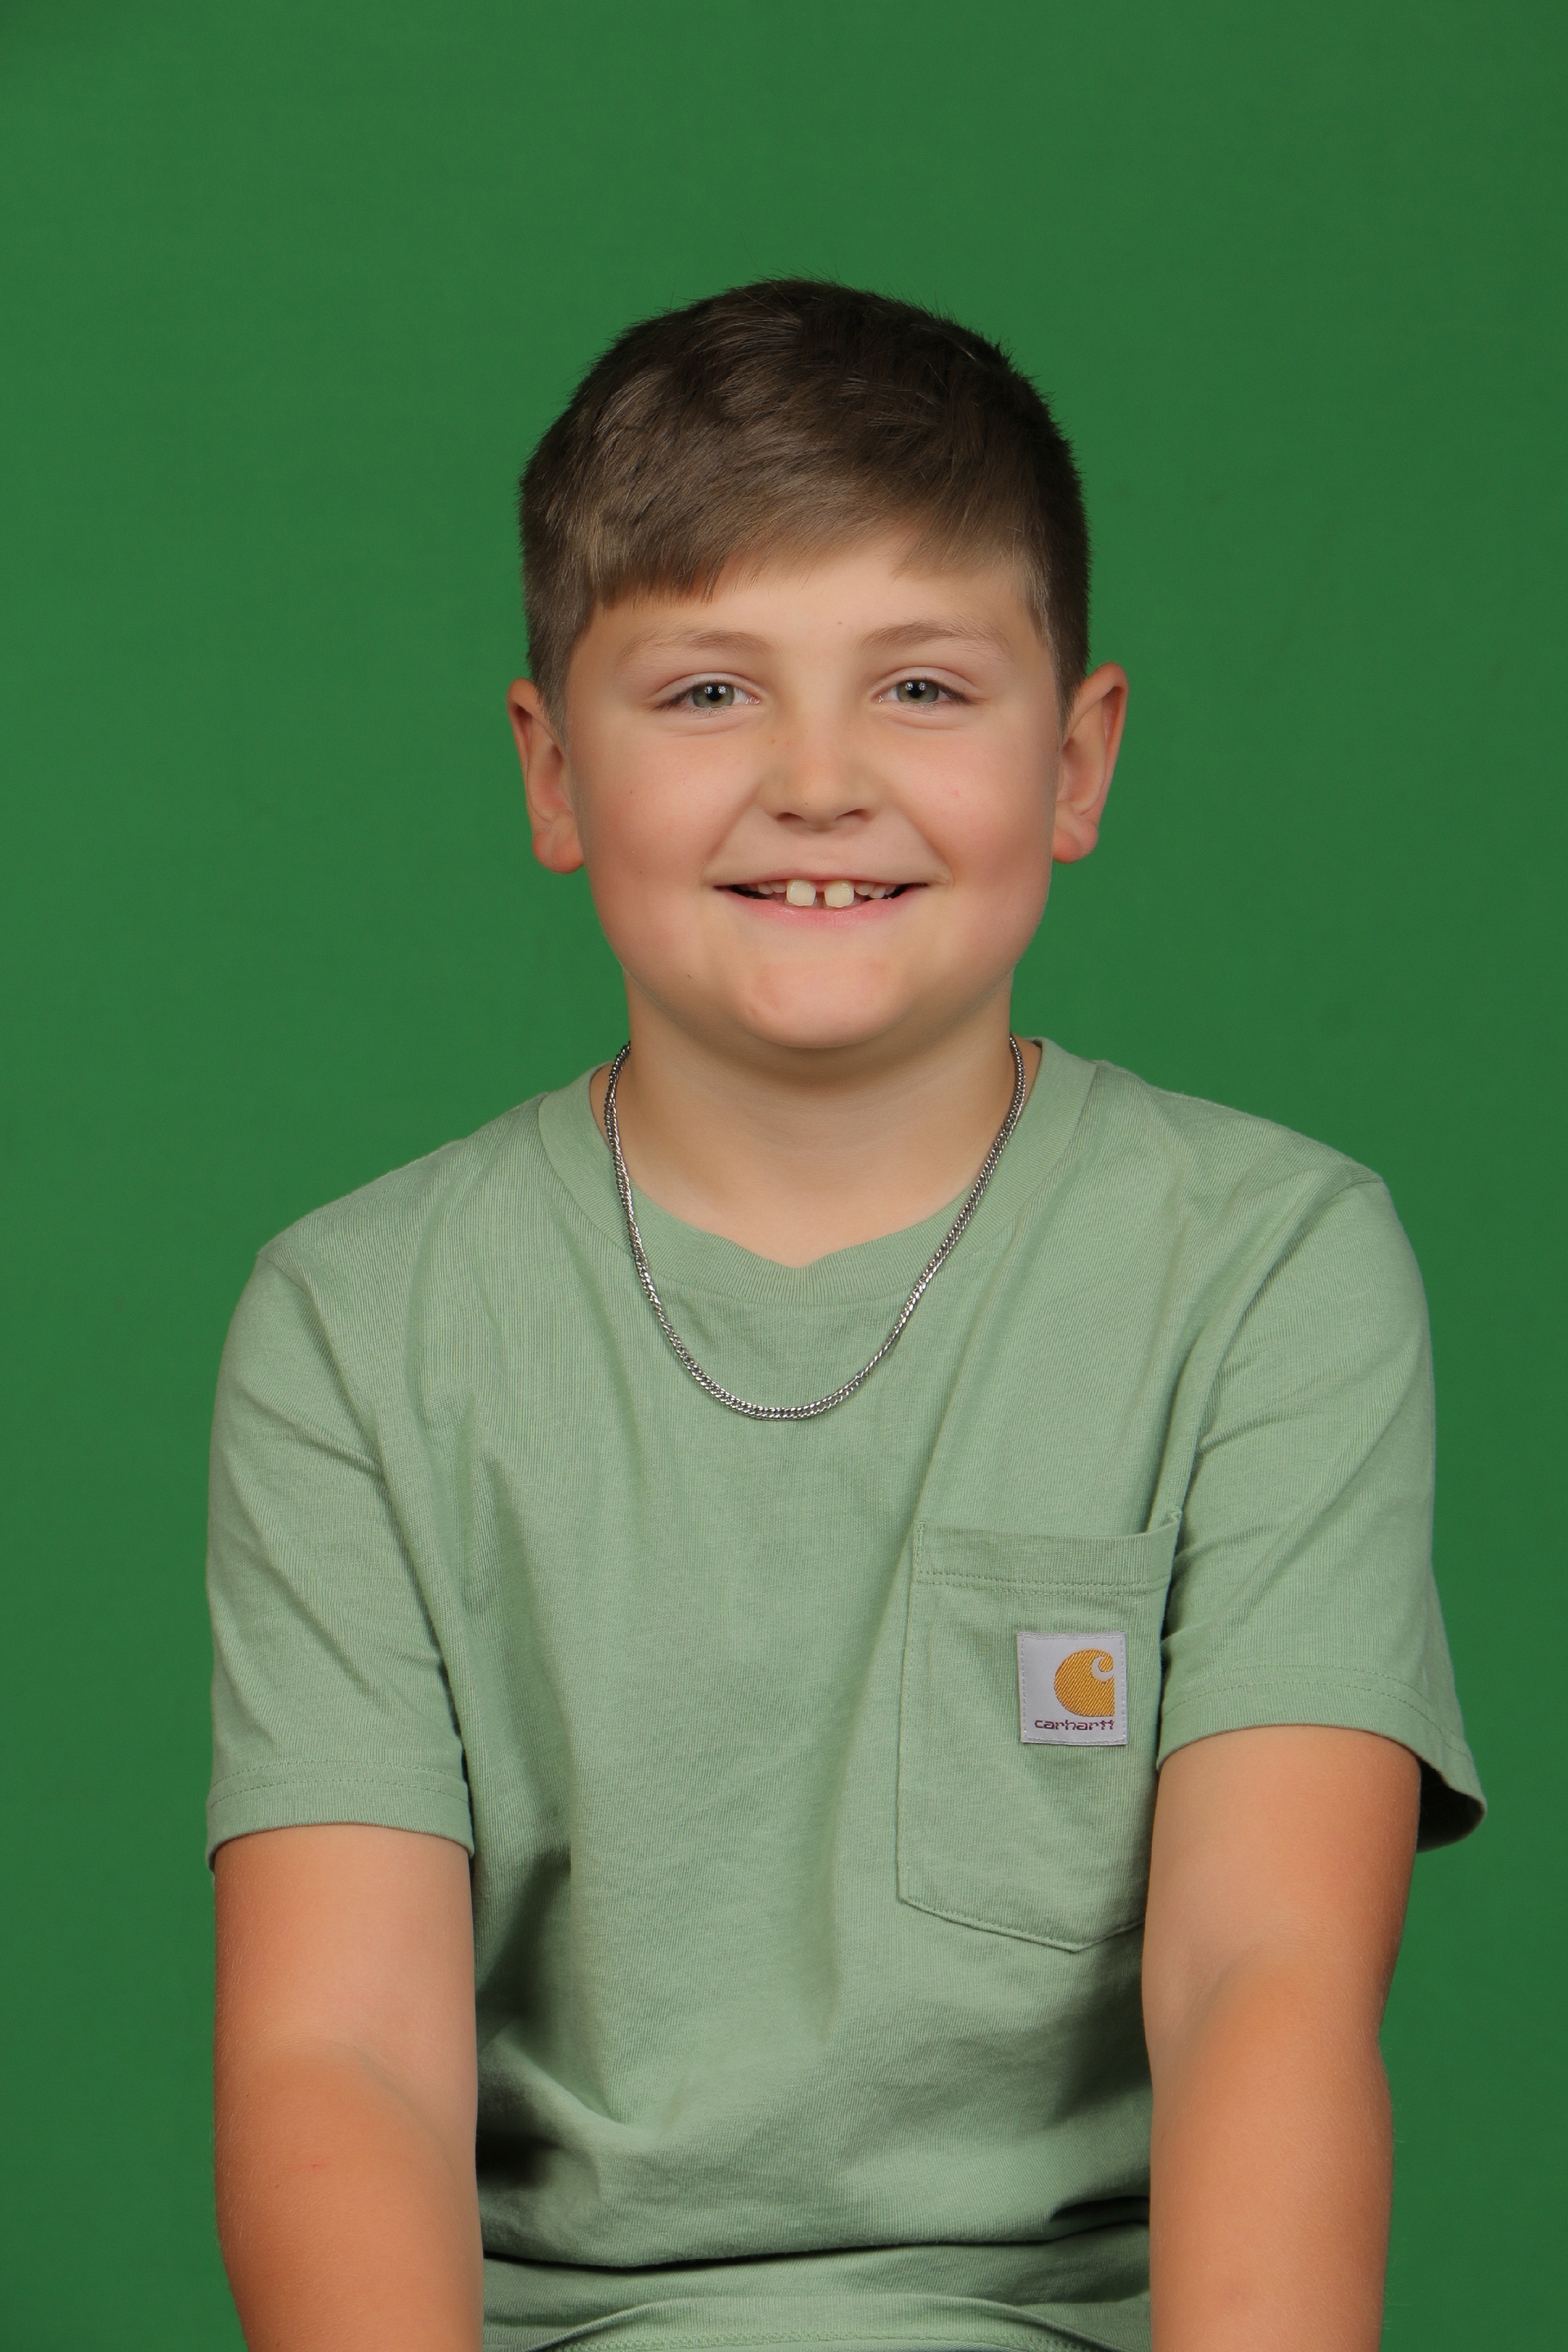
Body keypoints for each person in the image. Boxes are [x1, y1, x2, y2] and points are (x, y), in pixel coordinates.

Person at [206, 279, 1483, 2352]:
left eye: (923, 686)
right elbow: (339, 2056)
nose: (819, 780)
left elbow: (1268, 1981)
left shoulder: (1267, 1265)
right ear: (553, 773)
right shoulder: (358, 1323)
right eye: (710, 690)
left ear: (1077, 761)